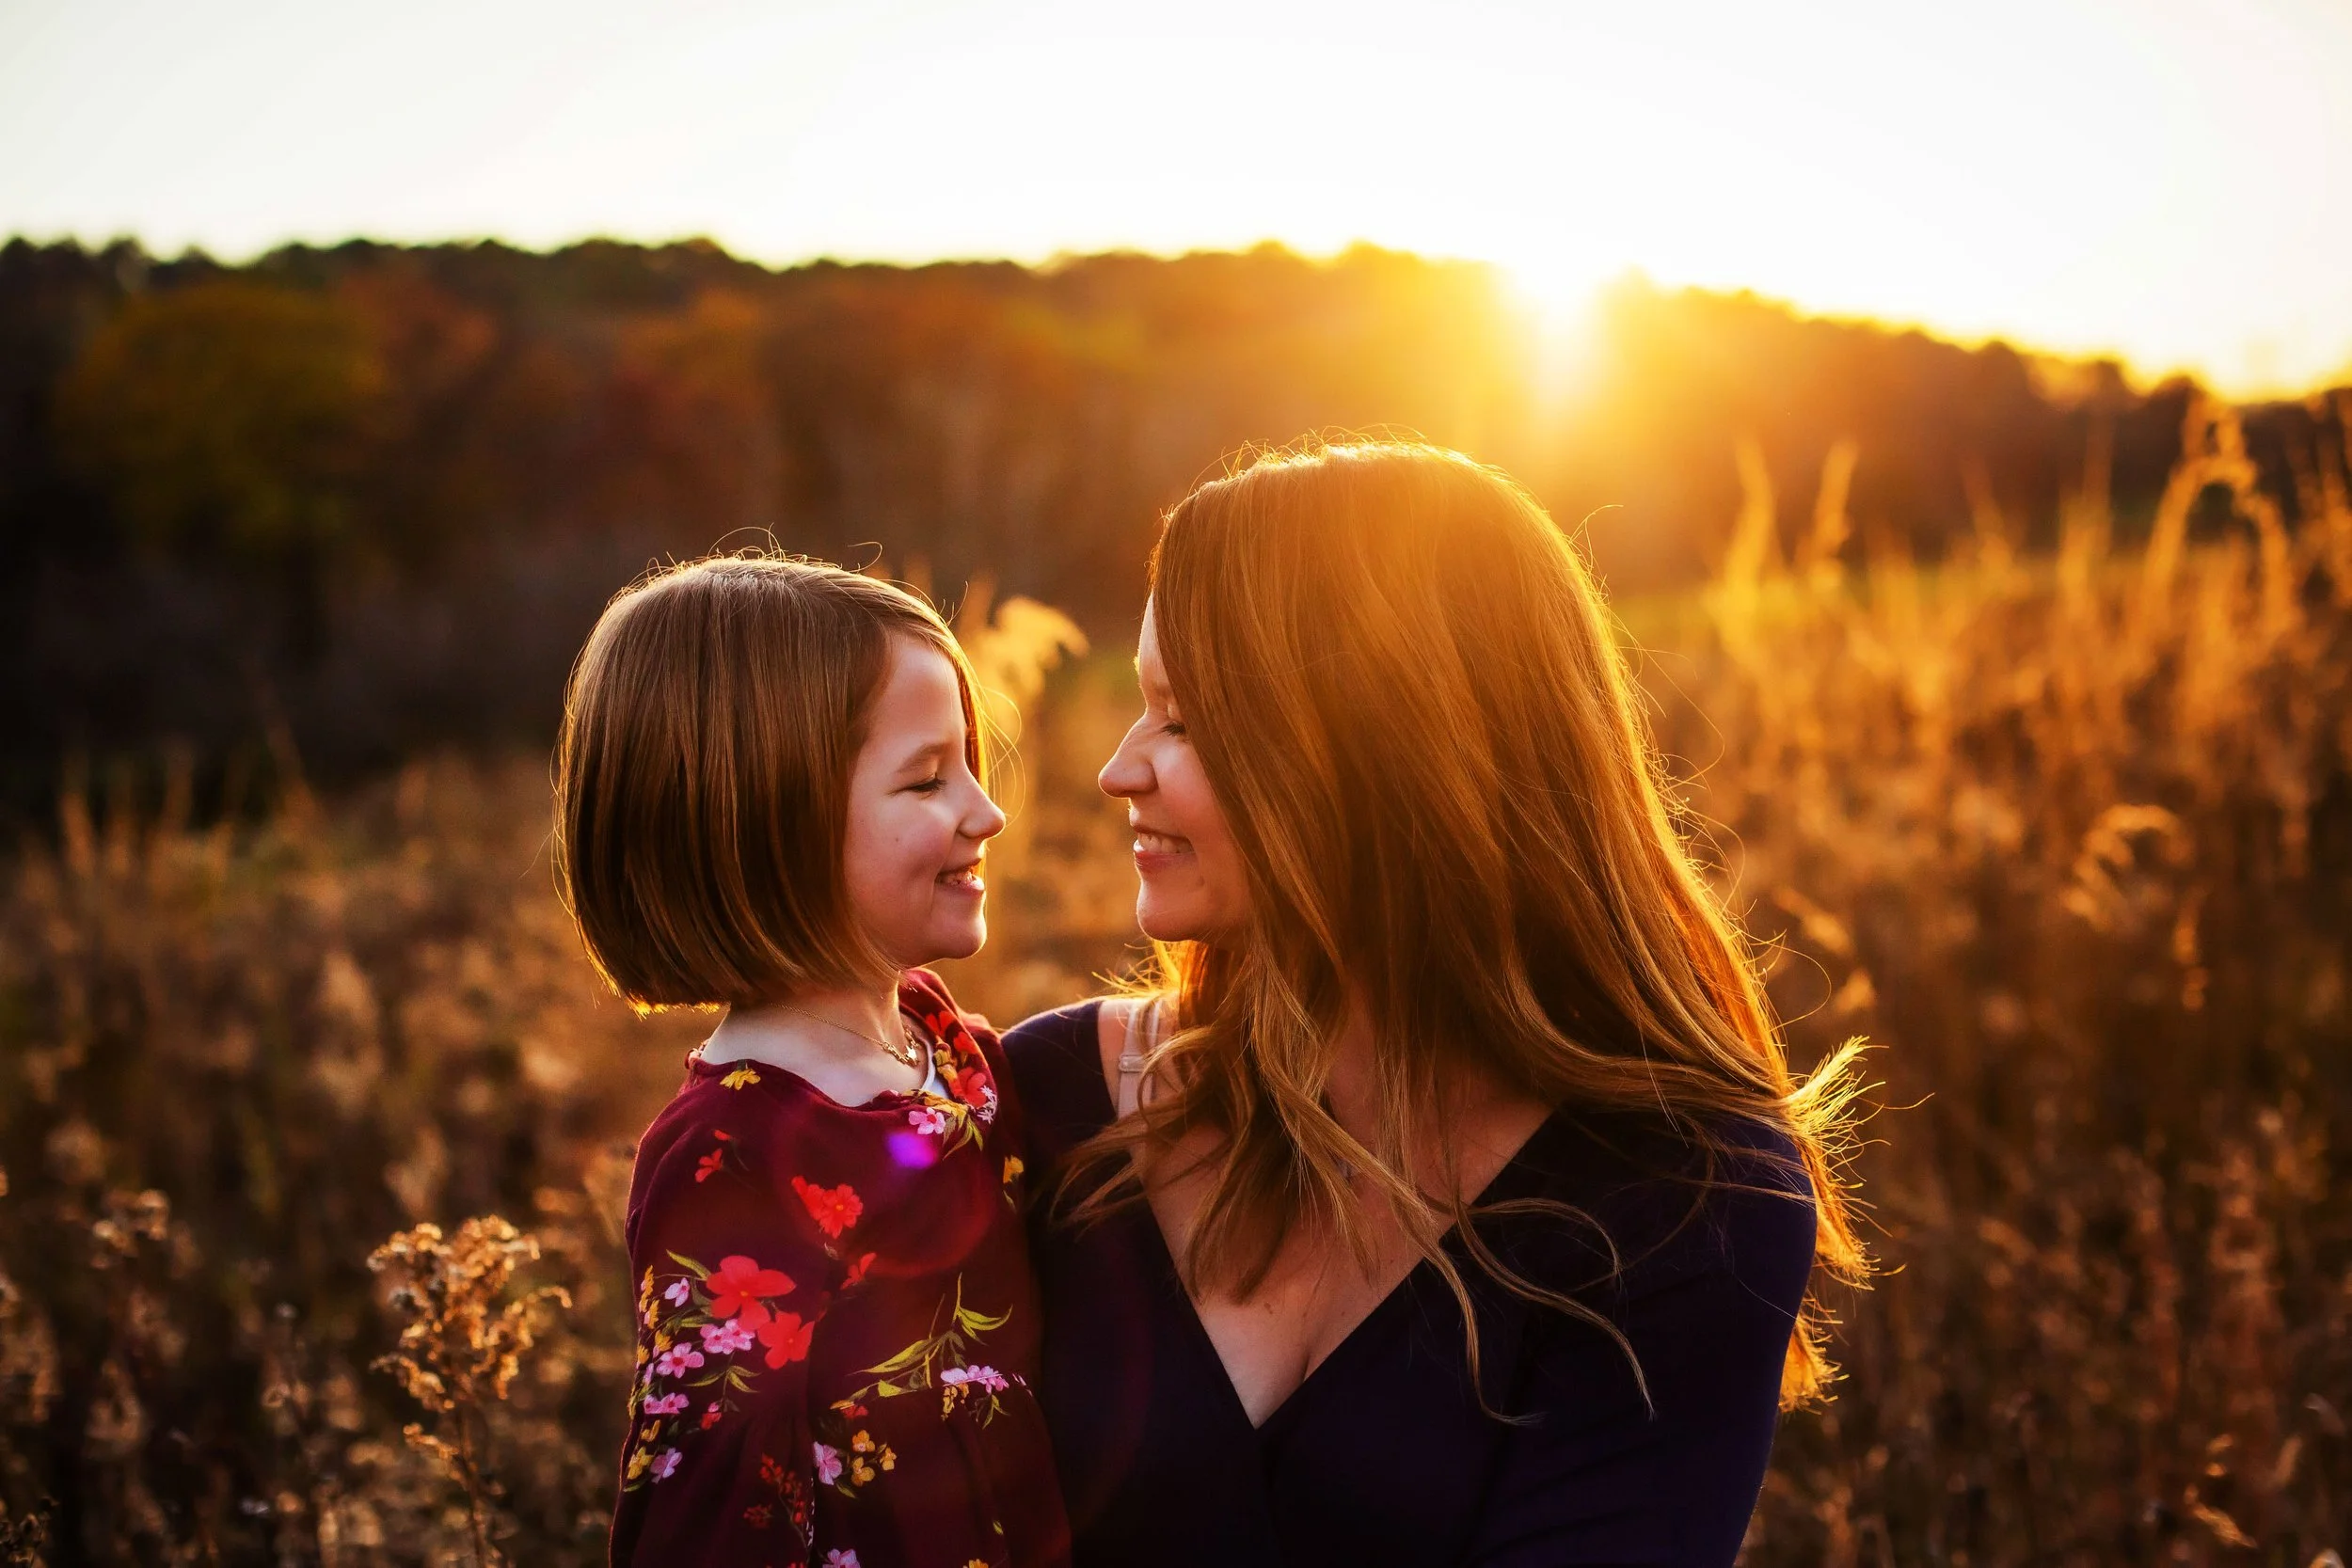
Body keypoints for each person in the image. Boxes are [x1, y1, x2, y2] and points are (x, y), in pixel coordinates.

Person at [1004, 440, 1870, 1568]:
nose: (1122, 768)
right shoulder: (1046, 1108)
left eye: (1185, 719)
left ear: (1378, 748)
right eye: (1142, 704)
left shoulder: (1685, 1200)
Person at [553, 554, 1070, 1568]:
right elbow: (708, 1503)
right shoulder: (729, 1156)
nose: (987, 811)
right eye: (927, 778)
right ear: (763, 818)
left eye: (971, 762)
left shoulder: (937, 1037)